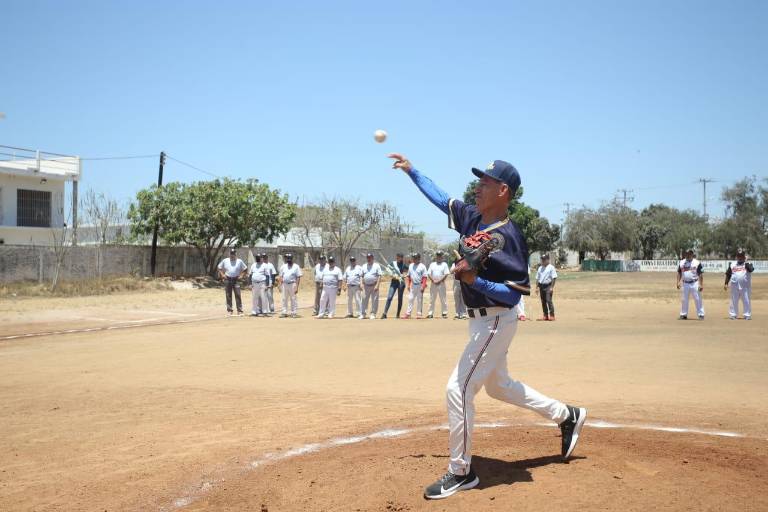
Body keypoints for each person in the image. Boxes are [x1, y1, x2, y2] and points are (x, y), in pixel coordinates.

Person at [389, 153, 586, 500]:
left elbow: (514, 296)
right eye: (478, 182)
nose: (477, 188)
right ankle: (566, 415)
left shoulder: (510, 237)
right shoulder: (471, 216)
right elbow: (442, 199)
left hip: (496, 318)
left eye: (485, 183)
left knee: (458, 388)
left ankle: (461, 471)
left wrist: (474, 280)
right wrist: (412, 171)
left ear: (503, 191)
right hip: (478, 321)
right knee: (499, 386)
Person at [217, 248, 248, 316]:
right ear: (229, 254)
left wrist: (241, 275)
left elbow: (245, 269)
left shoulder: (239, 261)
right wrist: (222, 275)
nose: (232, 255)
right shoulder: (225, 260)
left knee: (238, 295)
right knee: (228, 295)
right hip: (228, 279)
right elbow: (219, 267)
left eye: (233, 254)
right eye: (231, 253)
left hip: (236, 279)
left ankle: (239, 311)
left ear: (236, 254)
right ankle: (229, 310)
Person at [724, 248, 754, 320]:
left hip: (745, 287)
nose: (740, 257)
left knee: (746, 300)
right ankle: (733, 314)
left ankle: (747, 315)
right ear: (737, 256)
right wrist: (726, 283)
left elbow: (751, 269)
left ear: (744, 256)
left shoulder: (748, 264)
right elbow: (728, 274)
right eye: (738, 256)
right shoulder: (732, 264)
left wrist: (746, 262)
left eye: (741, 256)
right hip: (734, 286)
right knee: (734, 300)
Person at [677, 248, 705, 320]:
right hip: (685, 283)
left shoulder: (697, 263)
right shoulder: (682, 262)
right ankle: (683, 314)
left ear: (692, 254)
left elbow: (700, 274)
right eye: (686, 254)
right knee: (684, 299)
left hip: (694, 283)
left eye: (689, 254)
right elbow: (679, 272)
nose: (687, 255)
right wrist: (678, 282)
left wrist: (701, 284)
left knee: (697, 299)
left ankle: (701, 314)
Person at [381, 253, 407, 319]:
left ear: (402, 258)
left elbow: (408, 271)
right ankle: (384, 313)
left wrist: (404, 275)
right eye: (398, 257)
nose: (399, 259)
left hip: (401, 283)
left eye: (400, 257)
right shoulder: (393, 263)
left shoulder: (403, 264)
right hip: (394, 282)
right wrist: (392, 275)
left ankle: (398, 314)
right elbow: (388, 270)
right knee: (389, 297)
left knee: (400, 298)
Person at [277, 253, 302, 318]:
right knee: (284, 299)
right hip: (284, 284)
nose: (288, 259)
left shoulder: (296, 266)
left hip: (292, 284)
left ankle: (294, 312)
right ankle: (284, 312)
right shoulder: (283, 266)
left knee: (293, 299)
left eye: (289, 258)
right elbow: (281, 276)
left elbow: (298, 277)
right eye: (287, 258)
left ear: (292, 258)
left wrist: (297, 287)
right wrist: (279, 285)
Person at [427, 250, 450, 318]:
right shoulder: (432, 264)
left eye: (440, 256)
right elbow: (429, 273)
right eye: (438, 256)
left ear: (442, 257)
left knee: (443, 299)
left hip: (441, 284)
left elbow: (446, 274)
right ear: (436, 256)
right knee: (432, 299)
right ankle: (430, 313)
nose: (439, 257)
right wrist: (433, 280)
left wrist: (439, 281)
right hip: (433, 283)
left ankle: (444, 313)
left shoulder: (444, 264)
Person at [404, 253, 427, 319]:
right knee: (410, 299)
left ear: (419, 258)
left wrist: (423, 286)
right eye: (413, 258)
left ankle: (419, 313)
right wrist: (408, 285)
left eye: (415, 258)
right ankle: (408, 313)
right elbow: (409, 276)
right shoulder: (411, 265)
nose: (414, 259)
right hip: (413, 285)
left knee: (419, 300)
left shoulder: (422, 266)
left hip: (420, 285)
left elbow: (425, 277)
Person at [361, 253, 383, 319]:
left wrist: (377, 285)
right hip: (366, 286)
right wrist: (361, 283)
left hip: (374, 285)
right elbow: (361, 276)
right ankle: (363, 313)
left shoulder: (376, 266)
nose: (369, 259)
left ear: (373, 258)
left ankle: (373, 313)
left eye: (370, 257)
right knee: (364, 299)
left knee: (374, 300)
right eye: (367, 257)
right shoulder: (364, 266)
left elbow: (379, 275)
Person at [536, 254, 557, 321]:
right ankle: (545, 315)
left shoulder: (551, 267)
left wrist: (551, 287)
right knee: (543, 301)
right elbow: (537, 278)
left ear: (548, 260)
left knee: (548, 300)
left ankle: (552, 315)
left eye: (544, 259)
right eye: (542, 259)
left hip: (548, 286)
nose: (542, 260)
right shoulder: (540, 268)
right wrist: (537, 287)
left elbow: (554, 278)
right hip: (541, 286)